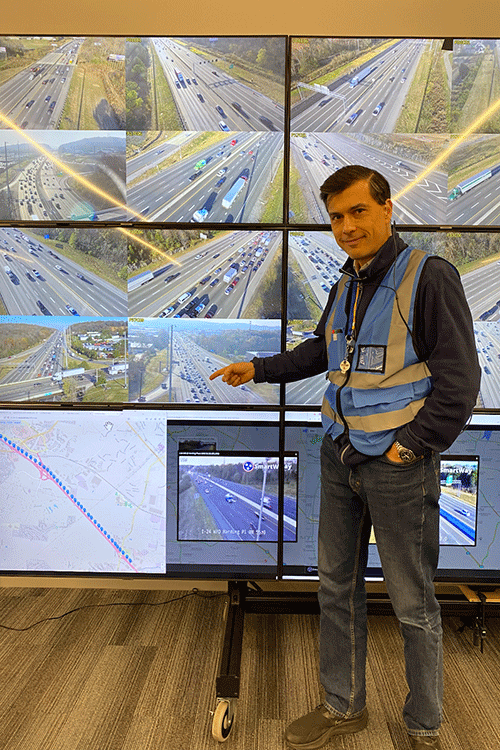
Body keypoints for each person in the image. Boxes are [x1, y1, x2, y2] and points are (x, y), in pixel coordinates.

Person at [210, 165, 480, 750]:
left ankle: (423, 727)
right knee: (335, 588)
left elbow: (460, 381)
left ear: (387, 208)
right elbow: (324, 351)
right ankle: (343, 707)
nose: (347, 227)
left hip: (397, 465)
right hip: (340, 456)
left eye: (358, 212)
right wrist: (259, 368)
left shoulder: (428, 277)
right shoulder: (348, 281)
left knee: (412, 602)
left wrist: (412, 446)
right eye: (336, 217)